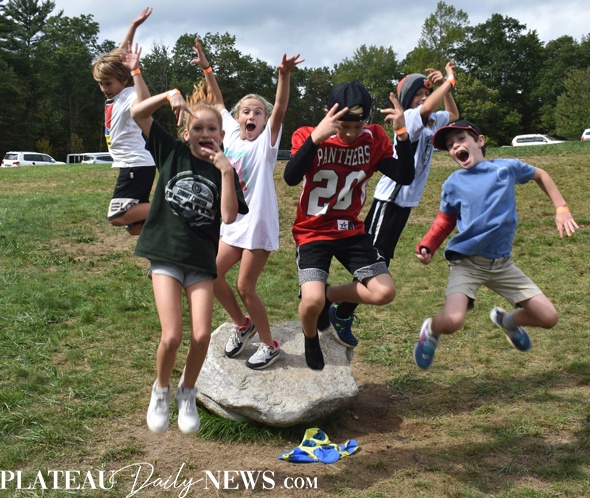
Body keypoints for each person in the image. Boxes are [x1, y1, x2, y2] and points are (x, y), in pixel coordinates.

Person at [126, 45, 248, 434]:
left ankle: (187, 391)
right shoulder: (172, 152)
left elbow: (228, 217)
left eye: (212, 129)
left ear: (222, 135)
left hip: (200, 261)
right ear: (186, 132)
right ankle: (160, 389)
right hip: (165, 254)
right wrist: (168, 94)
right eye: (198, 128)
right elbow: (138, 113)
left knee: (201, 335)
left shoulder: (225, 170)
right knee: (173, 335)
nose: (205, 134)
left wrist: (225, 172)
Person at [413, 120, 579, 370]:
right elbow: (445, 220)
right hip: (467, 263)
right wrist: (428, 245)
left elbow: (540, 174)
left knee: (549, 317)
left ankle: (507, 321)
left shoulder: (506, 168)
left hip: (502, 264)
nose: (455, 146)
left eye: (460, 139)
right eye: (450, 145)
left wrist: (561, 208)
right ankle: (431, 330)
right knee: (453, 321)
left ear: (479, 141)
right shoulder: (453, 183)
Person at [283, 82, 415, 370]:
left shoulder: (373, 137)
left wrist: (403, 134)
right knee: (311, 302)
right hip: (313, 231)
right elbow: (290, 178)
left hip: (350, 231)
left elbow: (405, 176)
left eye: (358, 126)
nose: (351, 133)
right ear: (329, 116)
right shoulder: (308, 134)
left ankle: (329, 295)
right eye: (344, 126)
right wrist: (315, 139)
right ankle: (310, 338)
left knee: (384, 292)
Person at [189, 38, 302, 369]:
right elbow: (217, 99)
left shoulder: (266, 143)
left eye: (258, 112)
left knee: (245, 286)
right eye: (246, 111)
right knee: (209, 274)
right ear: (237, 118)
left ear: (264, 121)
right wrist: (207, 67)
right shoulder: (232, 134)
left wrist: (283, 76)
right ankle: (242, 324)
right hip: (234, 222)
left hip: (258, 224)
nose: (252, 115)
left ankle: (269, 344)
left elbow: (280, 107)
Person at [331, 63, 460, 345]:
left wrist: (445, 88)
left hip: (404, 205)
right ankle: (336, 308)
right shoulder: (411, 118)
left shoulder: (431, 121)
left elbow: (453, 115)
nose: (424, 98)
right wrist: (449, 82)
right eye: (418, 94)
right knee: (375, 264)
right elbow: (427, 109)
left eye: (427, 93)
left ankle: (336, 306)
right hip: (389, 201)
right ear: (407, 100)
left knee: (378, 262)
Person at [91, 8, 155, 235]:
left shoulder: (128, 95)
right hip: (132, 165)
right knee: (135, 228)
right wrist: (133, 26)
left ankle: (173, 206)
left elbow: (145, 103)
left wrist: (136, 71)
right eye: (101, 84)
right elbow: (118, 56)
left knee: (117, 216)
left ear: (124, 79)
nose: (103, 88)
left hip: (135, 165)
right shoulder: (116, 95)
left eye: (107, 83)